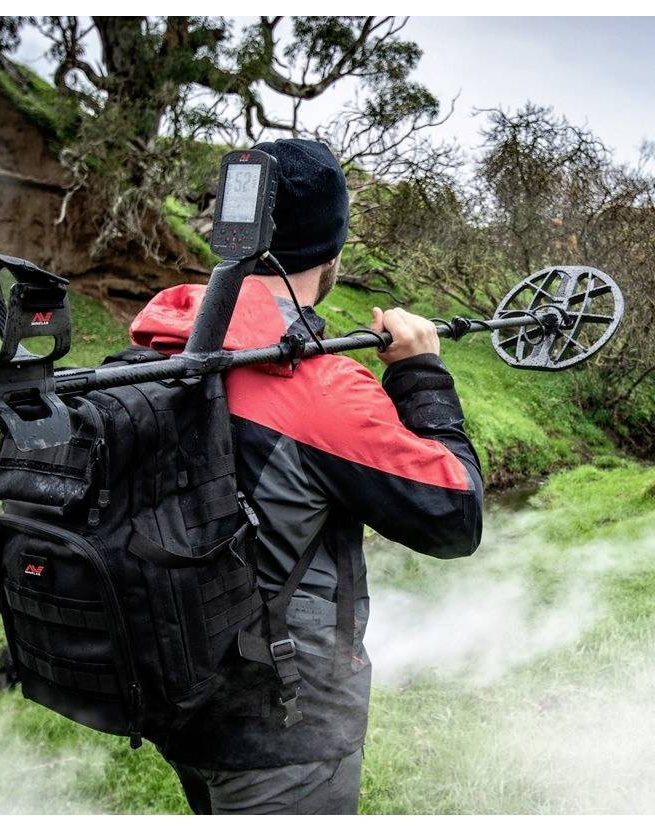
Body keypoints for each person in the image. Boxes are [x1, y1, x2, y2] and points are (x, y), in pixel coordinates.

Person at [126, 138, 485, 814]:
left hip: (173, 697)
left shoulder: (151, 351)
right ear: (335, 253)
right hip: (283, 730)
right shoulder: (320, 391)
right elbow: (454, 516)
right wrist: (420, 373)